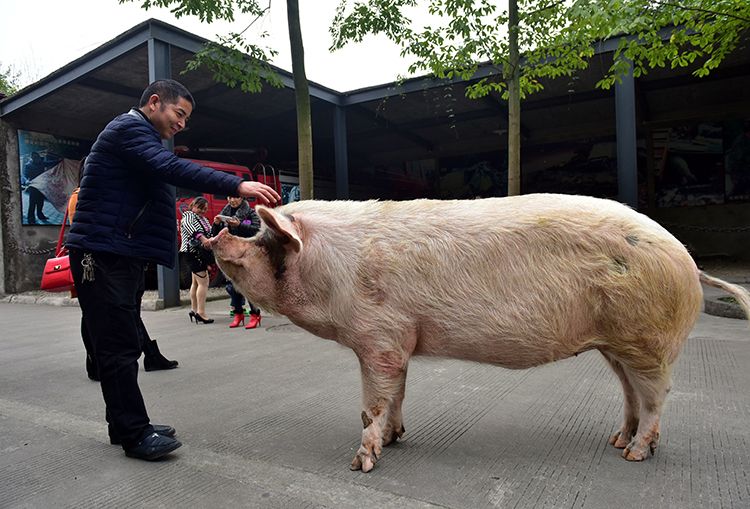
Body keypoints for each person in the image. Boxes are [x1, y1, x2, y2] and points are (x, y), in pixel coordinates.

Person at [66, 79, 279, 461]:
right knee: (118, 348)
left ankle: (123, 424)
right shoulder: (129, 129)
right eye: (179, 113)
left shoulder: (139, 137)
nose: (182, 124)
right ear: (154, 103)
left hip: (119, 252)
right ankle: (134, 433)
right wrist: (237, 184)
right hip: (103, 254)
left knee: (122, 343)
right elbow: (171, 167)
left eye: (186, 118)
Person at [67, 161, 179, 382]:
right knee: (95, 315)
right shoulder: (82, 195)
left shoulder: (106, 193)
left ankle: (148, 354)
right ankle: (97, 361)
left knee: (126, 312)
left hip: (124, 260)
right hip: (96, 263)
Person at [211, 195, 262, 329]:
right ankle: (238, 314)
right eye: (229, 197)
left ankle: (255, 314)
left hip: (247, 254)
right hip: (229, 256)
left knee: (248, 287)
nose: (232, 200)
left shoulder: (250, 212)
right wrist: (216, 224)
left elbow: (257, 229)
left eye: (235, 198)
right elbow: (214, 234)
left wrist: (240, 225)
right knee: (232, 287)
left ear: (242, 198)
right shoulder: (224, 213)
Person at [180, 196, 215, 324]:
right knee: (204, 282)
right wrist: (203, 239)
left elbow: (210, 233)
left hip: (194, 253)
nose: (203, 211)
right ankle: (201, 312)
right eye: (200, 208)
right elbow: (192, 229)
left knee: (195, 283)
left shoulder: (203, 219)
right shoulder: (189, 216)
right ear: (193, 206)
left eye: (205, 209)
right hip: (194, 252)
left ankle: (194, 310)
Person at [24, 152, 49, 223]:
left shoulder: (42, 163)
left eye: (37, 158)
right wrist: (26, 181)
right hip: (33, 186)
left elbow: (50, 163)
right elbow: (25, 175)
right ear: (32, 158)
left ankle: (40, 215)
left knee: (41, 202)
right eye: (35, 158)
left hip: (41, 186)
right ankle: (31, 217)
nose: (37, 159)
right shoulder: (28, 165)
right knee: (32, 202)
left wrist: (60, 160)